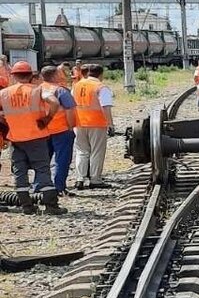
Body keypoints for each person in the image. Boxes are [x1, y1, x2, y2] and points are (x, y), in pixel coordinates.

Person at [0, 61, 65, 214]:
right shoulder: (37, 90)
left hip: (16, 139)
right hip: (36, 137)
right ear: (30, 75)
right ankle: (51, 205)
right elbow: (54, 102)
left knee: (20, 171)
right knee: (42, 169)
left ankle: (26, 206)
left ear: (13, 76)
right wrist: (47, 119)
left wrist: (5, 119)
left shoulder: (4, 93)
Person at [72, 64, 115, 190]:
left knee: (81, 151)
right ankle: (95, 179)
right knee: (96, 151)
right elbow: (105, 106)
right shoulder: (101, 87)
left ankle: (80, 178)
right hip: (97, 123)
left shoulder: (77, 85)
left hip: (79, 123)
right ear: (101, 74)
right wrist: (110, 124)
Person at [40, 66, 77, 195]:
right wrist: (71, 127)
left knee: (42, 161)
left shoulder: (37, 89)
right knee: (62, 160)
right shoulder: (60, 91)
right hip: (61, 130)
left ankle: (41, 186)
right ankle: (59, 187)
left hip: (42, 131)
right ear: (55, 76)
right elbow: (70, 110)